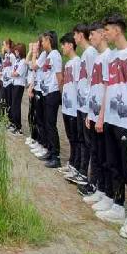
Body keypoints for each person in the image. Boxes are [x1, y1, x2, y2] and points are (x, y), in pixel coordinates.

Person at [95, 14, 127, 235]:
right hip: (111, 119)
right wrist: (102, 115)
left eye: (107, 30)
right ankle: (117, 205)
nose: (105, 33)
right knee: (114, 164)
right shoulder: (112, 57)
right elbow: (107, 88)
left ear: (117, 30)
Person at [82, 23, 112, 207]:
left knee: (105, 156)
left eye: (92, 34)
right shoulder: (99, 58)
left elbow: (108, 87)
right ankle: (99, 189)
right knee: (96, 152)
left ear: (101, 35)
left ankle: (107, 192)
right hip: (92, 113)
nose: (90, 37)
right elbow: (93, 86)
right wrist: (89, 112)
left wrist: (101, 114)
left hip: (103, 115)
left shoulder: (109, 57)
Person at [70, 23, 96, 186]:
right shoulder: (86, 53)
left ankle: (87, 174)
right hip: (80, 104)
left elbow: (95, 80)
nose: (74, 38)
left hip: (87, 105)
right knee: (81, 138)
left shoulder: (91, 53)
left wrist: (89, 105)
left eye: (75, 35)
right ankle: (80, 170)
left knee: (88, 142)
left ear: (80, 35)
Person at [39, 31, 63, 168]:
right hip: (46, 93)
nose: (42, 43)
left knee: (51, 124)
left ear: (49, 41)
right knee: (47, 123)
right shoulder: (48, 56)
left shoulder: (56, 55)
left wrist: (59, 94)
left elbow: (60, 77)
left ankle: (56, 156)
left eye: (43, 41)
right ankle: (50, 150)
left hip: (53, 93)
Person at [60, 33, 81, 176]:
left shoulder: (78, 62)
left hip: (74, 108)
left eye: (64, 44)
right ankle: (72, 162)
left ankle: (77, 165)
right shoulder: (67, 63)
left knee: (76, 138)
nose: (62, 47)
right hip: (66, 107)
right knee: (70, 137)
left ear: (71, 45)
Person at [8, 43, 27, 135]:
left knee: (16, 105)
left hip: (19, 85)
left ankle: (18, 127)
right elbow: (12, 71)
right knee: (13, 105)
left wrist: (11, 73)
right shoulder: (17, 61)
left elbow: (17, 73)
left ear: (20, 51)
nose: (15, 52)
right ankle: (14, 124)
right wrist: (12, 73)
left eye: (17, 51)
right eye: (15, 50)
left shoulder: (23, 61)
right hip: (14, 83)